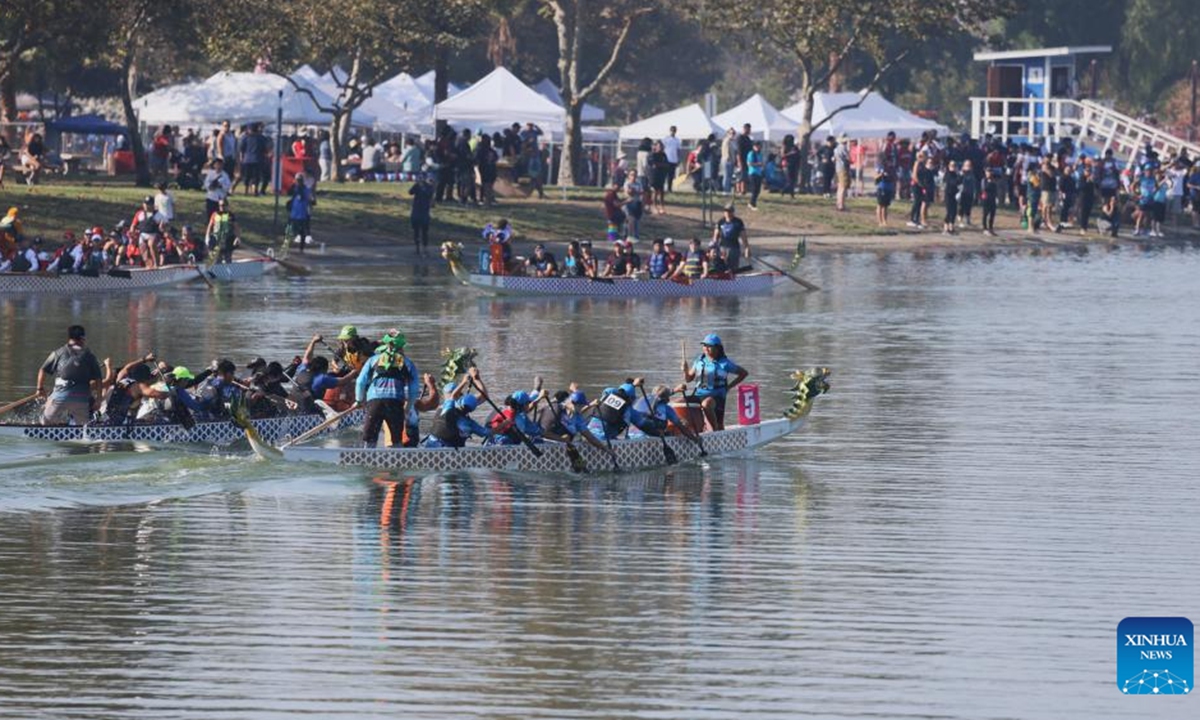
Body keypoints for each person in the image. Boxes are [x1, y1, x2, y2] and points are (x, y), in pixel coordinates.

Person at [355, 331, 419, 448]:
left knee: (369, 440)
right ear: (402, 346)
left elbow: (360, 382)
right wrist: (408, 407)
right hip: (395, 403)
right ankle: (397, 460)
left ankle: (366, 459)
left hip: (375, 402)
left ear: (386, 345)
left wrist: (359, 400)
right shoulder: (408, 363)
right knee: (396, 440)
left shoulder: (373, 360)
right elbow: (414, 389)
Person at [35, 325, 102, 425]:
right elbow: (98, 379)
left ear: (69, 338)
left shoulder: (58, 353)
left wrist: (39, 389)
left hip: (60, 398)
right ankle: (83, 430)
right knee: (83, 427)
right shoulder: (90, 356)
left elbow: (42, 370)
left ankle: (51, 425)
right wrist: (98, 399)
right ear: (82, 339)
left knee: (45, 421)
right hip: (82, 399)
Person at [682, 333, 747, 431]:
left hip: (716, 397)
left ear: (717, 348)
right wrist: (685, 370)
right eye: (704, 346)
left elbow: (743, 373)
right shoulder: (699, 361)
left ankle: (715, 429)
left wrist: (729, 387)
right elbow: (688, 379)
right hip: (699, 394)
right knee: (678, 403)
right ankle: (688, 430)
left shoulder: (725, 363)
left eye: (709, 346)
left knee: (706, 404)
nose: (706, 349)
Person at [424, 367, 491, 448]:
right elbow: (484, 396)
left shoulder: (445, 405)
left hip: (433, 446)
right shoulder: (456, 406)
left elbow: (483, 396)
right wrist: (476, 379)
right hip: (448, 450)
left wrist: (470, 380)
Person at [131, 196, 166, 268]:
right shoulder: (139, 214)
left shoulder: (159, 215)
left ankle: (156, 264)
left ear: (153, 205)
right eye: (145, 204)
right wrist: (132, 232)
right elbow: (133, 225)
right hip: (143, 235)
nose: (146, 206)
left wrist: (162, 226)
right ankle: (149, 266)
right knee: (144, 251)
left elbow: (163, 226)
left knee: (151, 244)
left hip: (154, 234)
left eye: (149, 204)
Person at [205, 198, 240, 264]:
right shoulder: (215, 214)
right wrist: (207, 237)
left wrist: (237, 238)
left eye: (223, 205)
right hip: (217, 240)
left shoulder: (230, 215)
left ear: (227, 205)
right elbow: (210, 226)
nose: (221, 207)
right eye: (220, 205)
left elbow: (236, 227)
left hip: (228, 240)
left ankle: (228, 271)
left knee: (228, 258)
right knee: (217, 259)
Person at [288, 173, 315, 253]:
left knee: (302, 231)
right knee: (291, 230)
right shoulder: (294, 188)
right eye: (297, 180)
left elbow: (310, 199)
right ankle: (288, 247)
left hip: (302, 214)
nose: (298, 182)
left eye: (299, 180)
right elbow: (289, 192)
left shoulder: (306, 189)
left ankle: (301, 248)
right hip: (294, 213)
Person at [408, 176, 434, 256]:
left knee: (424, 232)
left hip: (424, 212)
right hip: (416, 212)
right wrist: (416, 185)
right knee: (416, 231)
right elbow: (410, 192)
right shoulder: (417, 186)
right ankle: (417, 248)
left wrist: (424, 186)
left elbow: (429, 194)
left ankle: (425, 248)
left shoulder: (429, 187)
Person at [650, 140, 670, 215]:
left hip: (662, 175)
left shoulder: (664, 155)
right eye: (659, 146)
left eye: (662, 146)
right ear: (656, 147)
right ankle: (654, 206)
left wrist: (661, 165)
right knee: (655, 191)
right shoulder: (653, 154)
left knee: (661, 192)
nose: (661, 148)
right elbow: (654, 165)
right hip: (655, 175)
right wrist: (661, 165)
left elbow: (667, 164)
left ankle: (662, 207)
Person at [745, 140, 765, 210]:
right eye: (756, 146)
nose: (758, 147)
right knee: (754, 189)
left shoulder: (760, 154)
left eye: (759, 146)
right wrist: (758, 164)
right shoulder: (751, 154)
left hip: (758, 173)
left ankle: (752, 203)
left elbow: (762, 162)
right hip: (752, 173)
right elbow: (749, 163)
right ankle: (752, 204)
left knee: (758, 190)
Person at [661, 126, 681, 192]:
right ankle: (662, 188)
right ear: (670, 131)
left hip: (674, 160)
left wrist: (678, 159)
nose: (673, 132)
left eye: (674, 130)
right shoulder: (666, 139)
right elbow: (662, 147)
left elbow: (678, 150)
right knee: (664, 174)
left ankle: (669, 188)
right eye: (672, 130)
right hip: (667, 159)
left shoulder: (677, 140)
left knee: (671, 175)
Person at [942, 161, 960, 235]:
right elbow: (951, 182)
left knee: (954, 211)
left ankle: (951, 227)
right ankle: (946, 228)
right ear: (949, 166)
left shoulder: (956, 174)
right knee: (949, 211)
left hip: (954, 195)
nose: (953, 167)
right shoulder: (947, 174)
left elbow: (959, 182)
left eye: (955, 165)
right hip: (948, 195)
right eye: (952, 165)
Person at [834, 135, 851, 211]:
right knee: (843, 187)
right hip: (843, 168)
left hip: (838, 168)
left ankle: (838, 203)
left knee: (840, 186)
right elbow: (848, 158)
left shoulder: (836, 148)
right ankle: (841, 204)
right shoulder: (843, 148)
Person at [980, 167, 999, 237]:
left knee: (992, 214)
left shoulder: (994, 180)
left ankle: (991, 228)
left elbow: (995, 190)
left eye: (990, 172)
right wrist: (990, 183)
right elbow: (984, 188)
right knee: (985, 214)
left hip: (992, 199)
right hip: (986, 199)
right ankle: (985, 229)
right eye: (988, 172)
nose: (989, 173)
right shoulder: (984, 180)